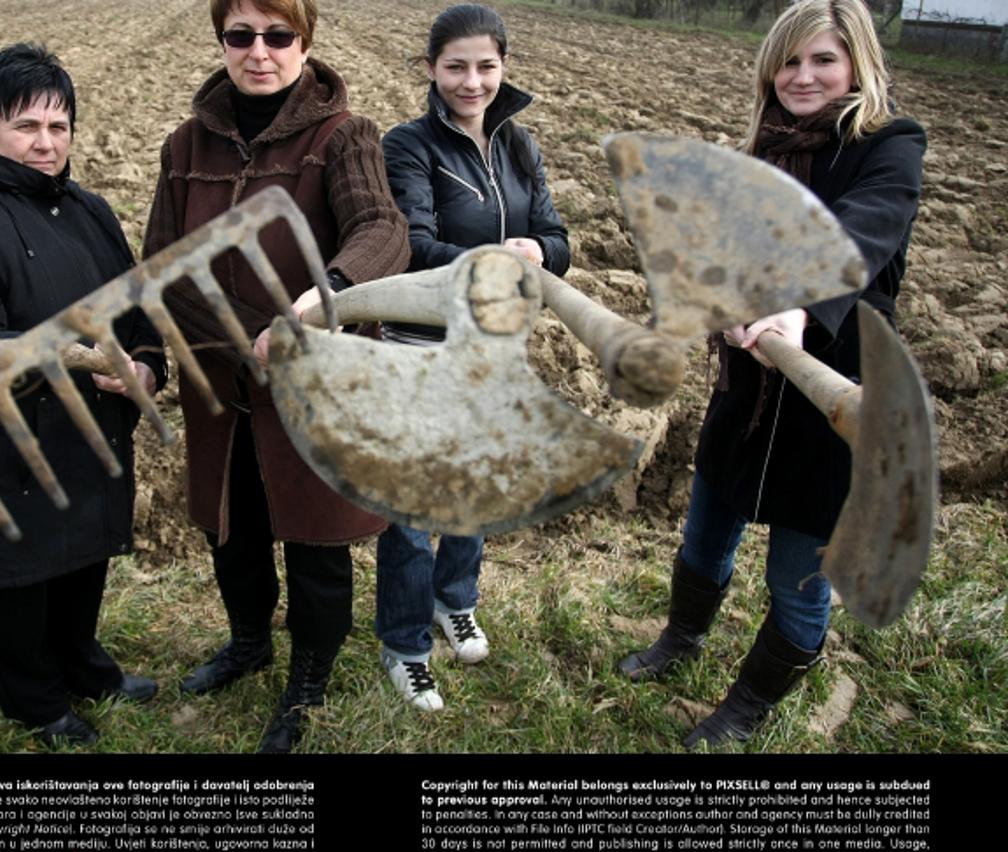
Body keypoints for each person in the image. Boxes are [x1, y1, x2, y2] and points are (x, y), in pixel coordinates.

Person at [617, 0, 925, 748]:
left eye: (823, 59)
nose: (804, 76)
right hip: (750, 386)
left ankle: (747, 706)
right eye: (789, 61)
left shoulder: (888, 146)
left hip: (832, 393)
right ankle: (682, 638)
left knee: (800, 571)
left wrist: (797, 303)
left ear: (857, 63)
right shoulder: (762, 147)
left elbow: (866, 225)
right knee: (704, 533)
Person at [142, 0, 409, 752]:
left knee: (315, 537)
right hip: (219, 381)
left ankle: (309, 681)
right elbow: (161, 257)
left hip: (311, 376)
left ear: (304, 40)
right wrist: (223, 331)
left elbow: (382, 230)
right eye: (241, 35)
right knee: (235, 529)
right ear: (222, 41)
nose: (259, 52)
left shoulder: (343, 135)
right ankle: (249, 643)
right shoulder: (186, 145)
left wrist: (318, 301)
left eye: (278, 35)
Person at [0, 43, 167, 748]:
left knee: (81, 556)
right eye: (27, 126)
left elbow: (137, 308)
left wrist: (143, 364)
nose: (46, 143)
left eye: (59, 126)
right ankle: (34, 700)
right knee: (21, 574)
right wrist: (79, 356)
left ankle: (84, 666)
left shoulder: (90, 210)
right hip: (4, 440)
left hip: (86, 429)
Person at [376, 3, 569, 711]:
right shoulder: (408, 145)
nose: (472, 80)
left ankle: (453, 600)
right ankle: (404, 645)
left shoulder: (519, 146)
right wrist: (498, 266)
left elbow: (557, 237)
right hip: (421, 348)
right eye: (456, 66)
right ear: (431, 69)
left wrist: (540, 251)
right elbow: (416, 246)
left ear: (504, 67)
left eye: (486, 66)